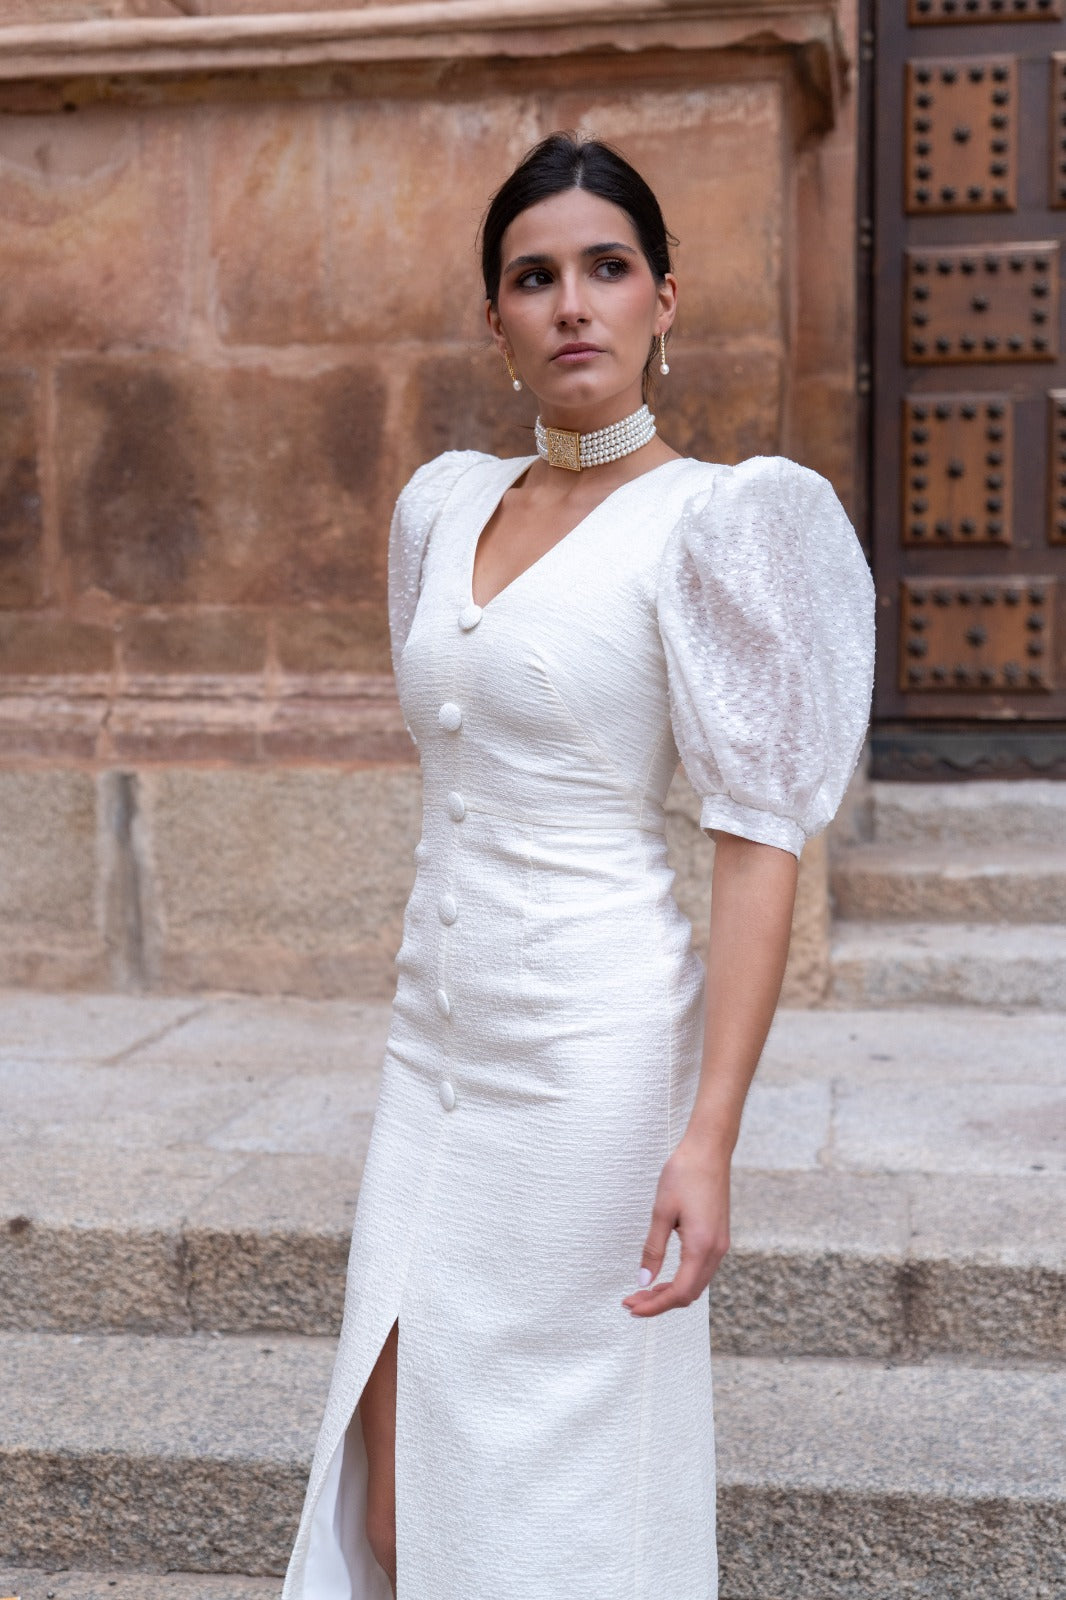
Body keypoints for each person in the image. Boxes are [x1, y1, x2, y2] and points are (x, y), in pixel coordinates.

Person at [281, 131, 875, 1600]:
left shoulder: (718, 524)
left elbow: (757, 844)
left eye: (606, 268)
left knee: (548, 1490)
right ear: (494, 317)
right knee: (395, 1490)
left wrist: (708, 1135)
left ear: (663, 299)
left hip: (592, 1061)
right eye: (533, 277)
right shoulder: (441, 505)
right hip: (430, 1049)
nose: (571, 304)